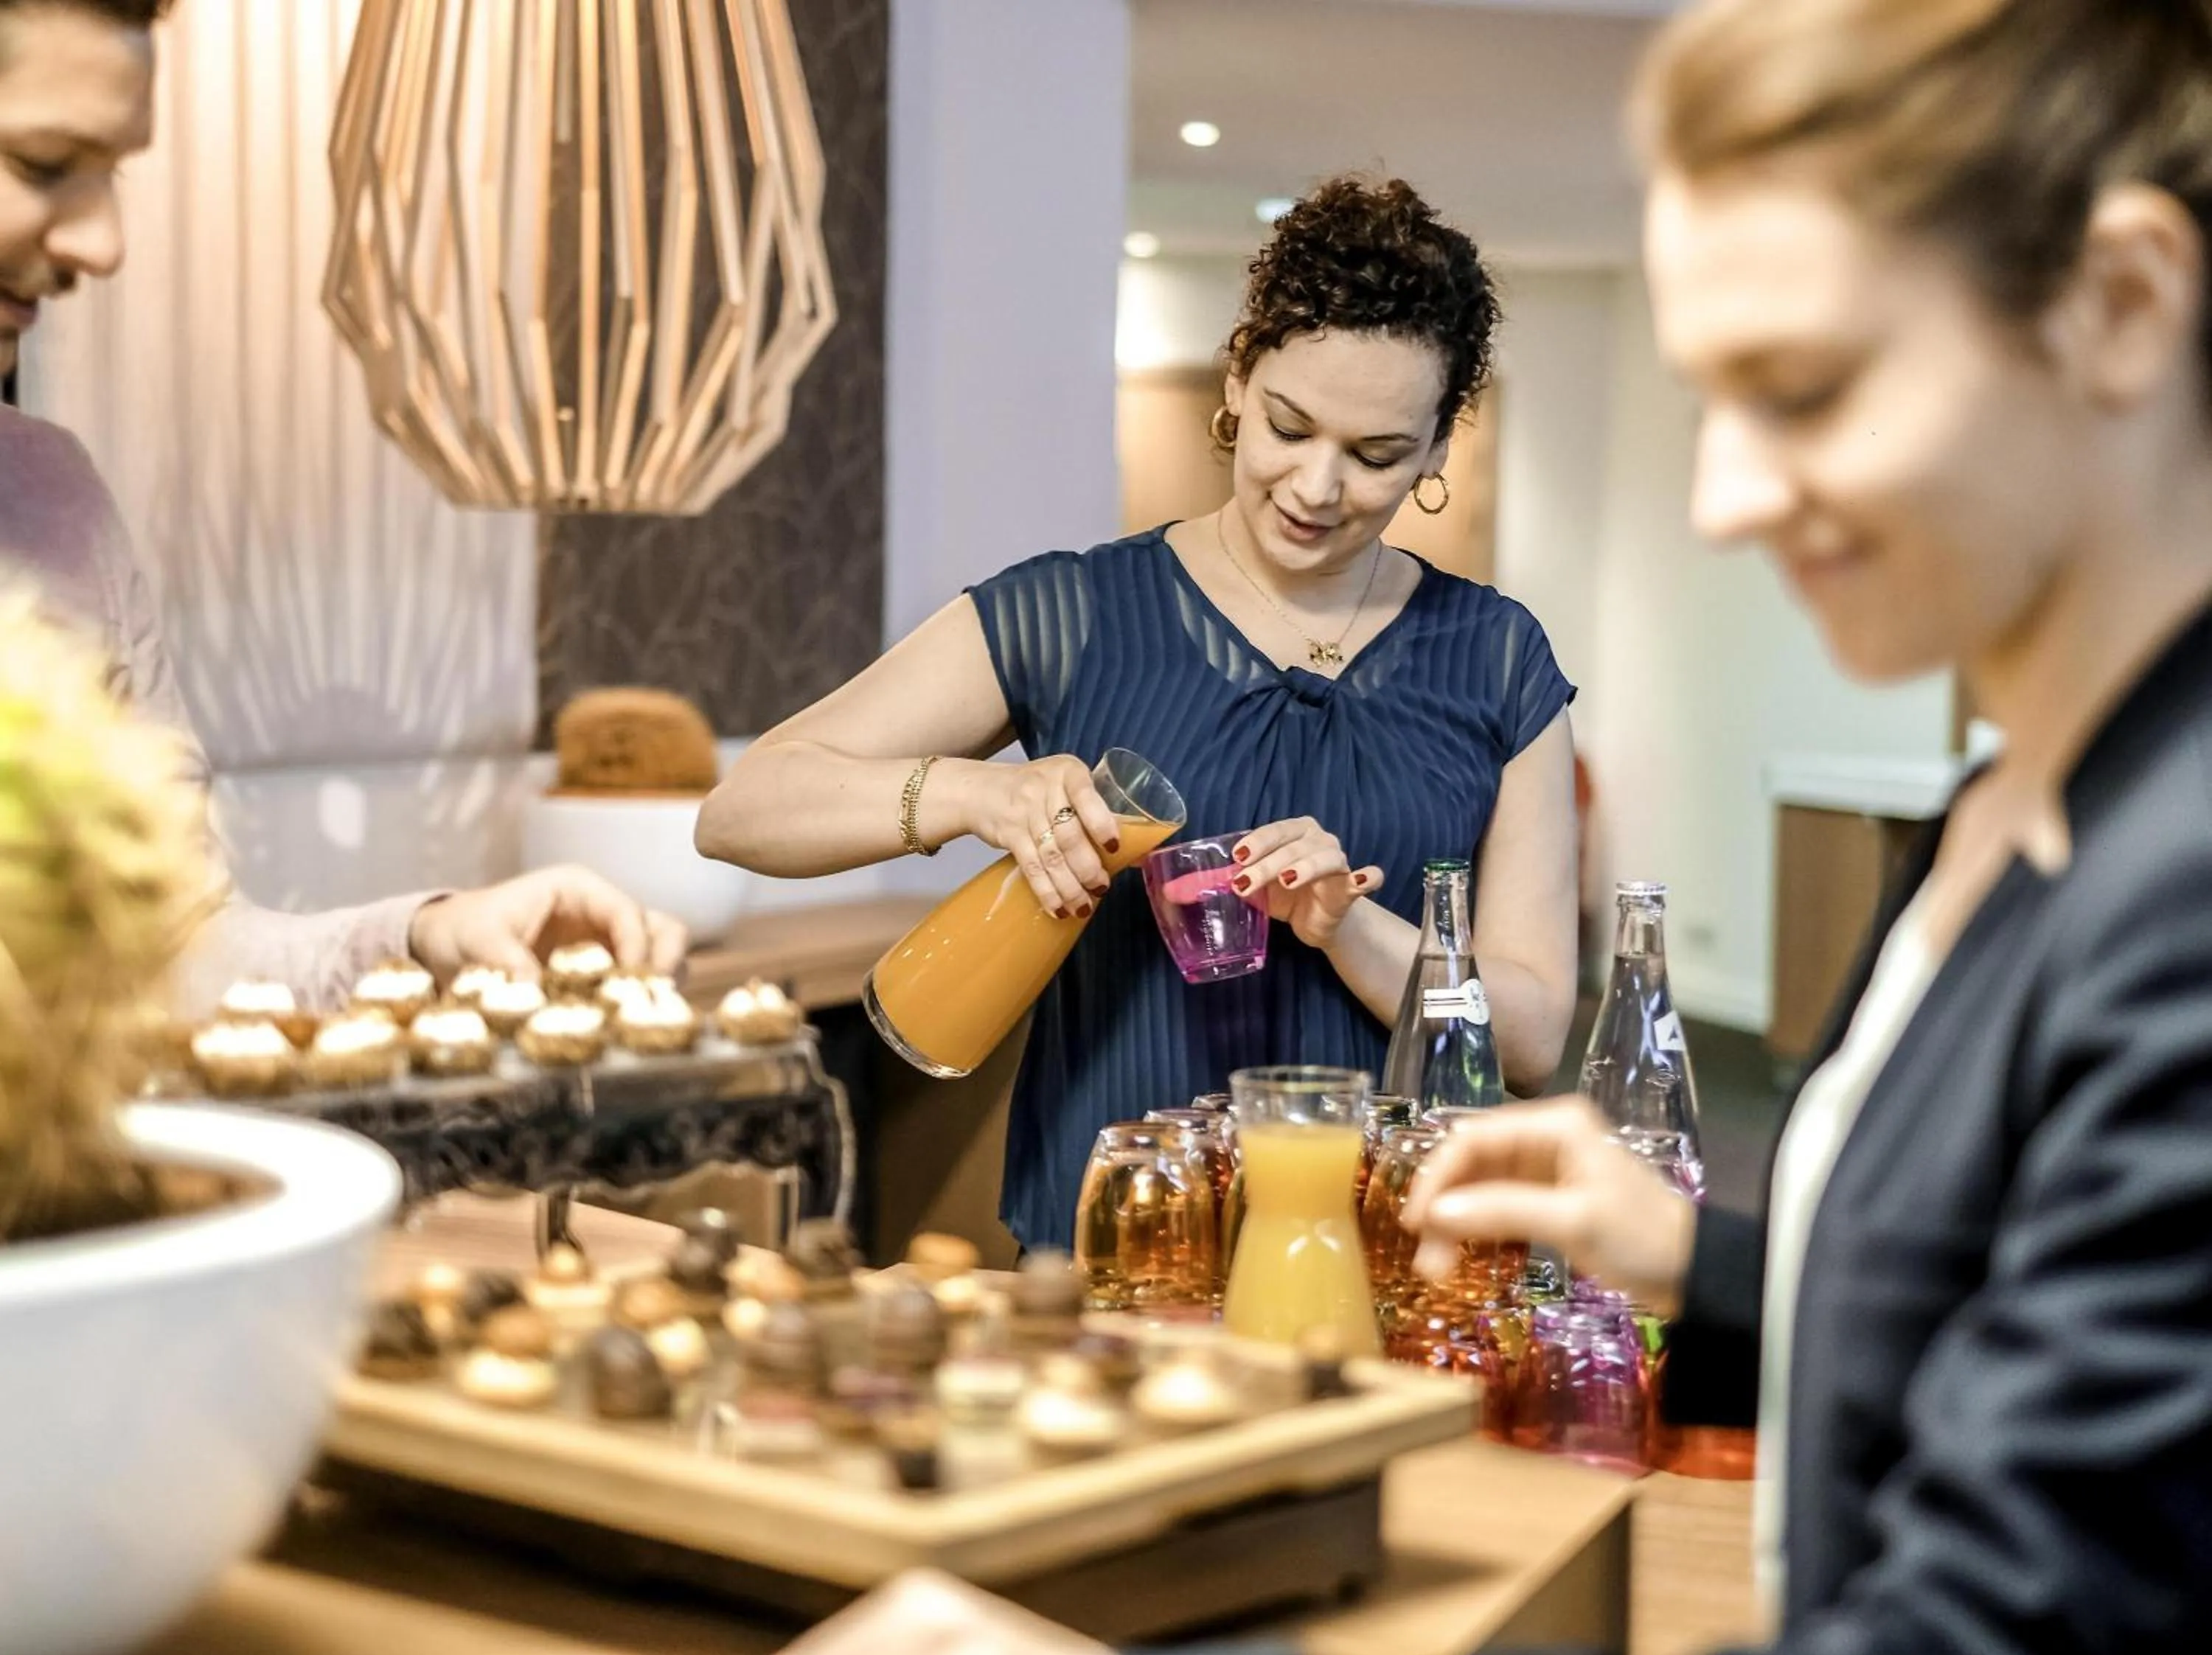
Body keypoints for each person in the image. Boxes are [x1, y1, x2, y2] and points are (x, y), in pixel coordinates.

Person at [1410, 0, 2212, 1651]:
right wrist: (1694, 1267)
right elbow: (1996, 1348)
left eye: (1806, 389)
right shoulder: (2006, 811)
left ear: (2122, 307)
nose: (1725, 498)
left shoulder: (2184, 884)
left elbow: (2016, 1611)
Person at [700, 176, 1580, 1250]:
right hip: (1116, 1261)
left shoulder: (1495, 658)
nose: (1316, 485)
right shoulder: (1076, 610)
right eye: (1289, 426)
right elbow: (745, 809)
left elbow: (1531, 1033)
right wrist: (978, 791)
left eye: (1376, 455)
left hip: (1387, 1261)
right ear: (1239, 376)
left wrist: (1349, 928)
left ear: (1440, 446)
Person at [0, 0, 686, 1011]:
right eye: (47, 164)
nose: (105, 244)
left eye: (117, 172)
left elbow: (172, 955)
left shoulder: (56, 502)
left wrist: (427, 937)